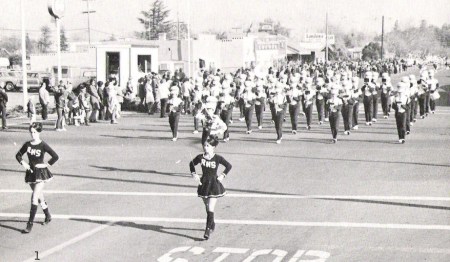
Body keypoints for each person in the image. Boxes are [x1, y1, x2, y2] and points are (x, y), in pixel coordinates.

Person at [15, 122, 59, 233]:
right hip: (30, 173)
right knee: (39, 196)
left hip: (41, 173)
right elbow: (18, 155)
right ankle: (48, 215)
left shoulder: (43, 145)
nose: (33, 134)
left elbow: (55, 156)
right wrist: (23, 164)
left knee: (34, 197)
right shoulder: (27, 144)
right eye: (31, 132)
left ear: (39, 132)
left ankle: (29, 224)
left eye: (35, 132)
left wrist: (46, 164)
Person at [189, 135, 232, 240]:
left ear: (213, 147)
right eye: (204, 145)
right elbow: (191, 164)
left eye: (208, 146)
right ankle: (212, 223)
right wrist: (194, 174)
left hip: (214, 184)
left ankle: (207, 229)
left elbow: (228, 166)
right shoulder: (200, 157)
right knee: (206, 206)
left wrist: (222, 175)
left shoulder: (217, 158)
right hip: (203, 184)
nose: (205, 147)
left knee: (210, 208)